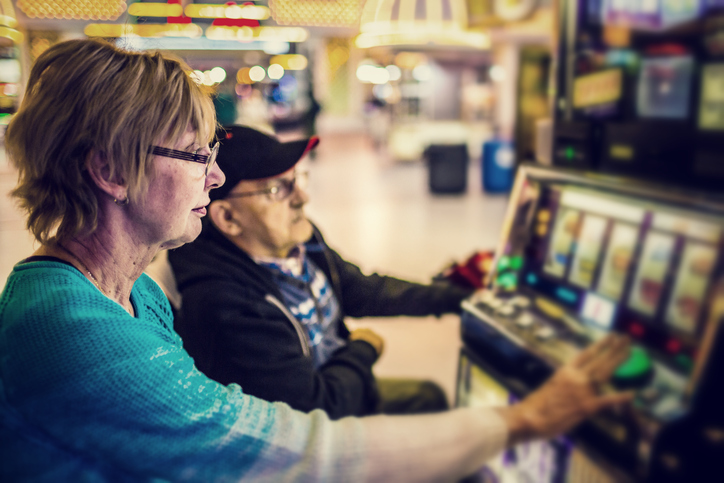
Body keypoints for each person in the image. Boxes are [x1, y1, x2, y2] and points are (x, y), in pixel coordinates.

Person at [0, 38, 631, 482]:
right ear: (109, 170)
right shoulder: (66, 329)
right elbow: (299, 449)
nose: (215, 176)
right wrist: (522, 420)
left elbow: (358, 289)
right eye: (195, 156)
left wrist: (459, 293)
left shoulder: (139, 293)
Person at [168, 125, 478, 419]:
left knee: (428, 397)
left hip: (344, 386)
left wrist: (454, 298)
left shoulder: (298, 241)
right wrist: (363, 349)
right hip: (311, 440)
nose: (302, 198)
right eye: (277, 189)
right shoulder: (224, 302)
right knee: (427, 400)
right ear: (227, 217)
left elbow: (358, 288)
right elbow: (317, 409)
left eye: (297, 180)